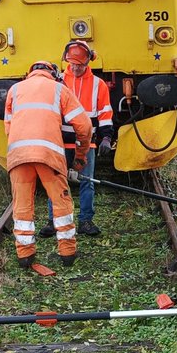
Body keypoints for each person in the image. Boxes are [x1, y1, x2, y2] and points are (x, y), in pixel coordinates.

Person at [4, 61, 92, 268]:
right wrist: (80, 155)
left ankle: (25, 254)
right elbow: (84, 125)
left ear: (31, 72)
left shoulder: (14, 90)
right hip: (48, 155)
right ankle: (67, 253)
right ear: (53, 73)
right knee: (61, 202)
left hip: (19, 156)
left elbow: (9, 126)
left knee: (22, 205)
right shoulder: (59, 89)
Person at [41, 40, 113, 238]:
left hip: (86, 142)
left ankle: (86, 221)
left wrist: (106, 138)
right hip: (60, 142)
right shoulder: (59, 83)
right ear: (66, 61)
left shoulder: (99, 85)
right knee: (55, 181)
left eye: (79, 65)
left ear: (88, 62)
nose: (75, 68)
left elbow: (105, 114)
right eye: (72, 63)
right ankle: (53, 220)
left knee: (86, 182)